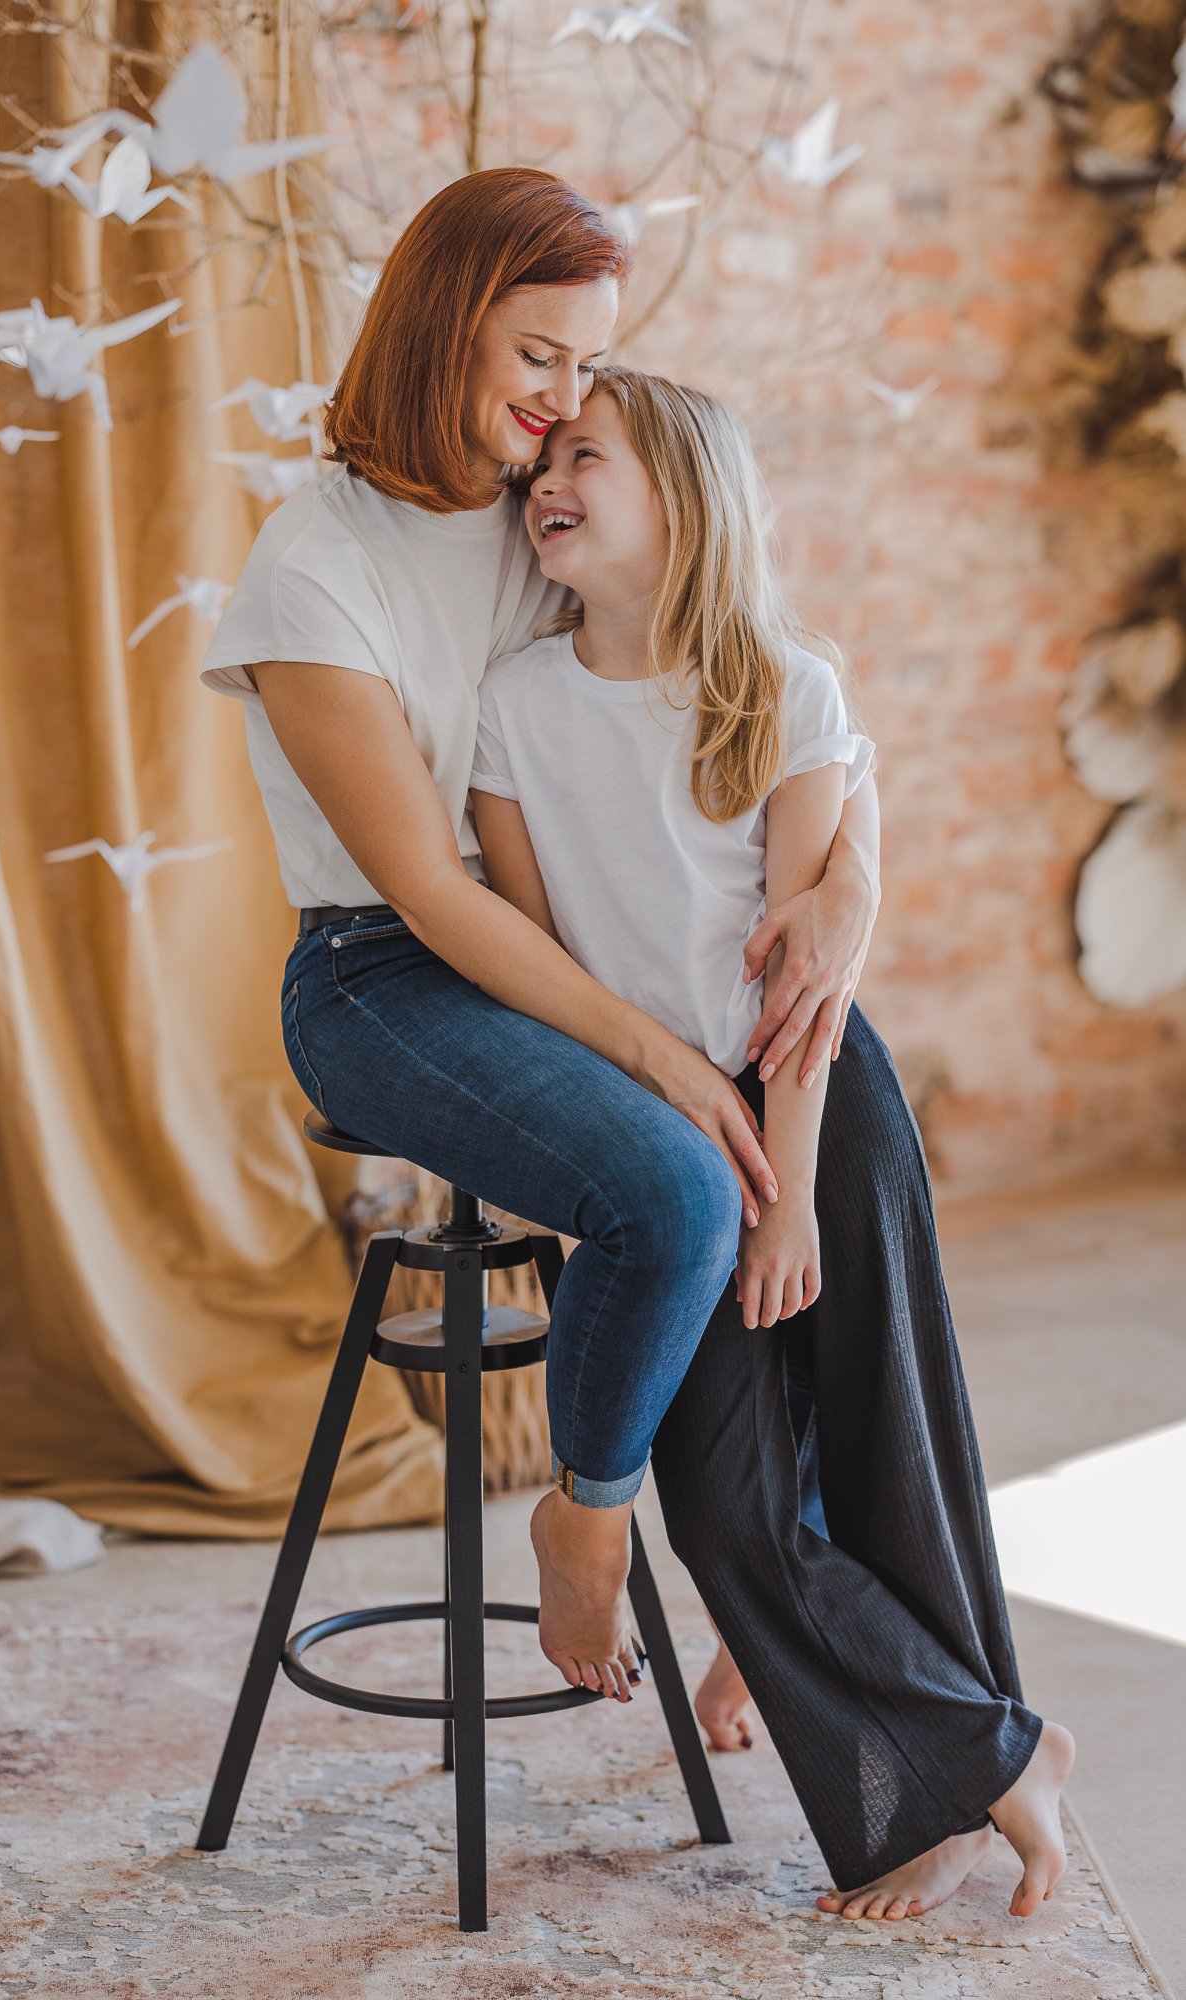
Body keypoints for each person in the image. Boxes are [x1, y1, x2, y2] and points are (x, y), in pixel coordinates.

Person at [198, 165, 1071, 1918]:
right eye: (534, 358)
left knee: (847, 1179)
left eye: (582, 372)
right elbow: (436, 898)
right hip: (392, 973)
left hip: (638, 976)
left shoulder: (553, 512)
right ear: (441, 325)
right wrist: (672, 1067)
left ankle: (877, 1674)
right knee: (676, 1197)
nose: (554, 409)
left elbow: (767, 680)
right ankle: (588, 1516)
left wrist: (848, 893)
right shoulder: (317, 572)